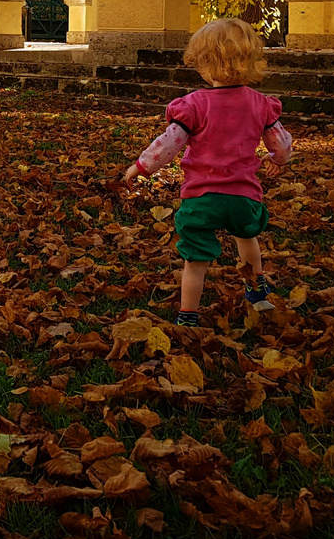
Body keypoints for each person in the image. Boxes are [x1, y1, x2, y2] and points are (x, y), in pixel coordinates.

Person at [122, 18, 292, 326]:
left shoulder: (195, 105)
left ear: (206, 63)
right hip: (244, 196)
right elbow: (280, 143)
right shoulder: (261, 104)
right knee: (246, 238)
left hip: (202, 197)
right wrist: (277, 160)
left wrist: (140, 166)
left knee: (196, 260)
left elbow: (168, 145)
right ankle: (258, 294)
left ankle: (188, 314)